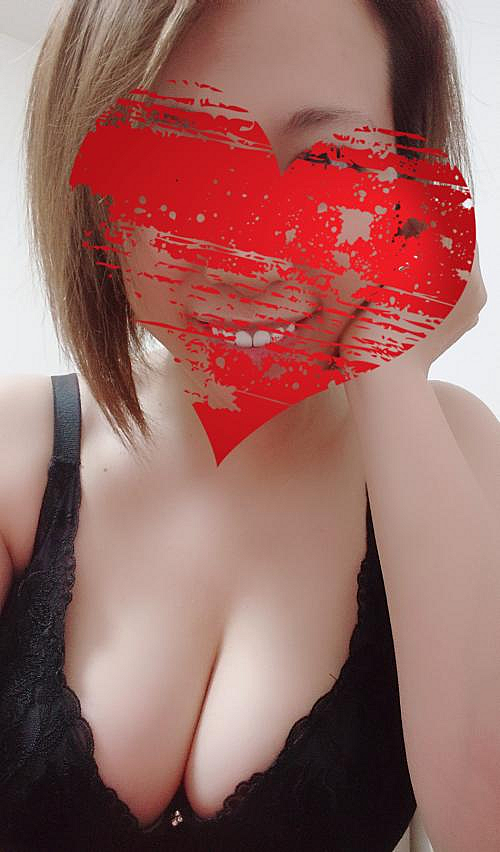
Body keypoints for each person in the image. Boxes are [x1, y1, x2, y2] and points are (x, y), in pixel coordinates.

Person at [0, 1, 498, 851]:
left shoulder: (456, 450)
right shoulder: (20, 441)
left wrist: (389, 366)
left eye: (331, 160)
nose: (250, 255)